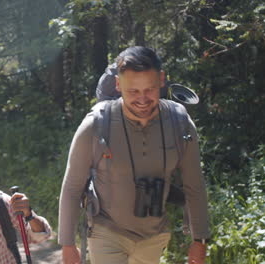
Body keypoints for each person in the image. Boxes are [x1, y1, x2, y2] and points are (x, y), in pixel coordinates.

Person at [58, 46, 210, 264]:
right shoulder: (95, 126)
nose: (142, 99)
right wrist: (67, 244)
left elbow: (194, 185)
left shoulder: (180, 125)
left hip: (154, 236)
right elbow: (72, 186)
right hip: (106, 231)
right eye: (133, 91)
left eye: (149, 90)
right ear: (118, 85)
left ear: (161, 80)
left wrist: (200, 241)